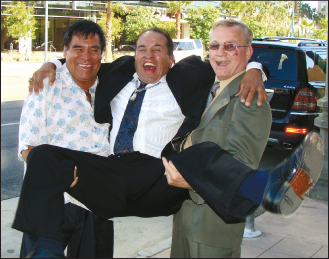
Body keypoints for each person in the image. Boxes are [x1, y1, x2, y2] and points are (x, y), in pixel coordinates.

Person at [13, 26, 322, 258]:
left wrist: (255, 71)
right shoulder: (117, 75)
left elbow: (226, 62)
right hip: (111, 177)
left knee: (194, 153)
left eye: (158, 49)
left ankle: (267, 188)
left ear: (172, 59)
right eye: (142, 49)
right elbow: (82, 61)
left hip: (157, 180)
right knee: (42, 156)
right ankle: (47, 251)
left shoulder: (187, 78)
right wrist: (50, 63)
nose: (149, 55)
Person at [162, 19, 324, 258]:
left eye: (230, 46)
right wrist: (255, 68)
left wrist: (192, 181)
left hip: (211, 226)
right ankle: (266, 187)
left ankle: (266, 187)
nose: (220, 53)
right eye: (215, 46)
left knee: (204, 152)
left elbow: (240, 164)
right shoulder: (208, 84)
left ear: (247, 52)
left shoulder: (249, 98)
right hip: (184, 214)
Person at [18, 20, 114, 258]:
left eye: (94, 49)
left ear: (102, 53)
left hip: (97, 201)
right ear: (65, 52)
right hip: (52, 202)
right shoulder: (46, 84)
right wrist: (61, 177)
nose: (87, 56)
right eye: (78, 48)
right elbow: (28, 147)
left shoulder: (111, 86)